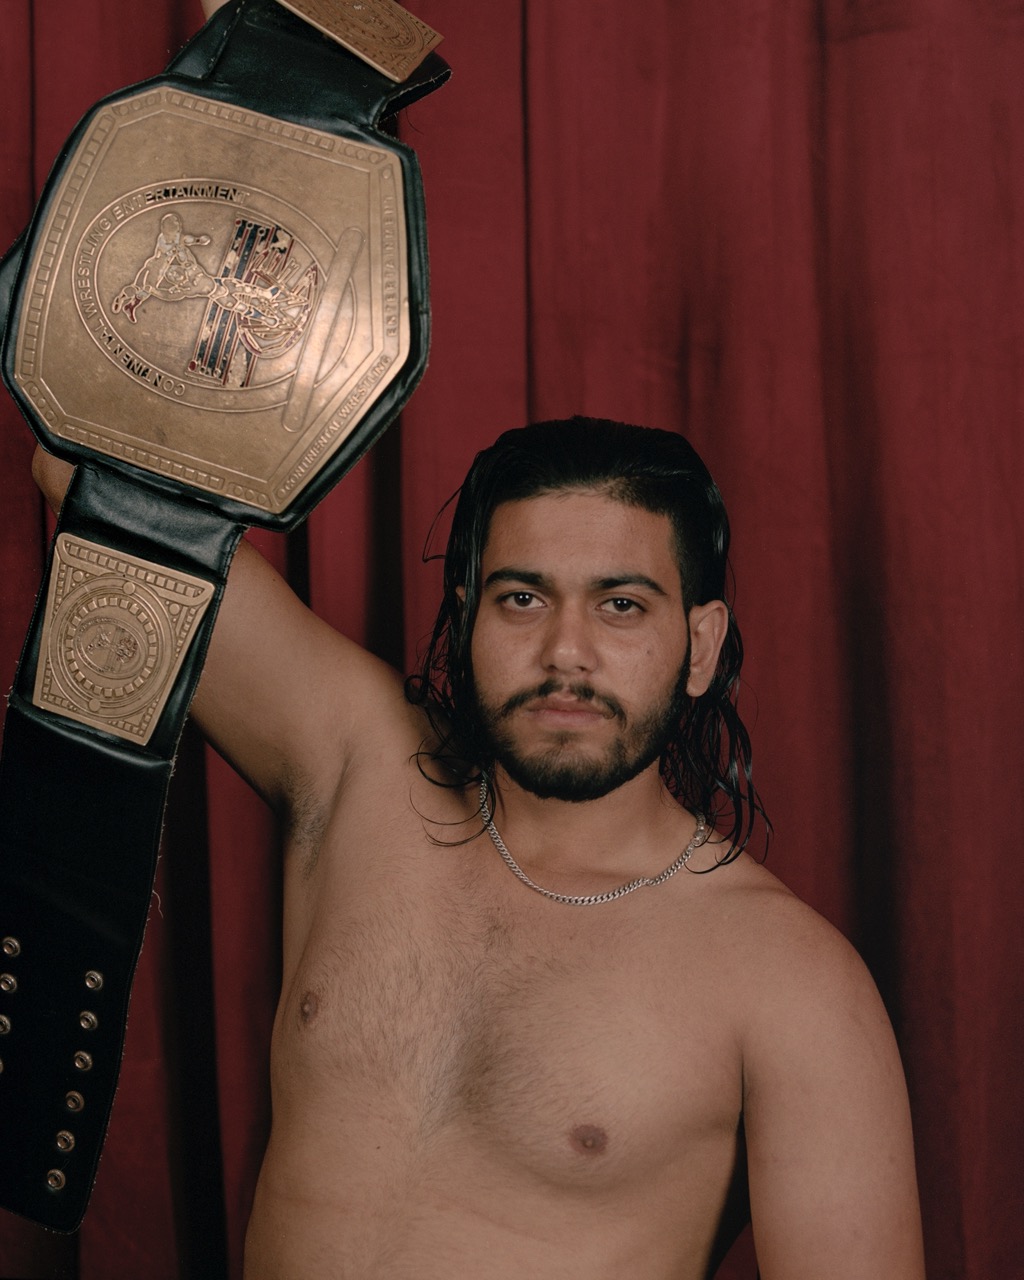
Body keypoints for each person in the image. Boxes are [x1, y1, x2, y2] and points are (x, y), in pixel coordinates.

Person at [33, 416, 925, 1279]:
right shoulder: (358, 767)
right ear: (466, 619)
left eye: (620, 605)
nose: (564, 652)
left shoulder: (793, 983)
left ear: (699, 645)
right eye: (522, 598)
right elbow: (81, 478)